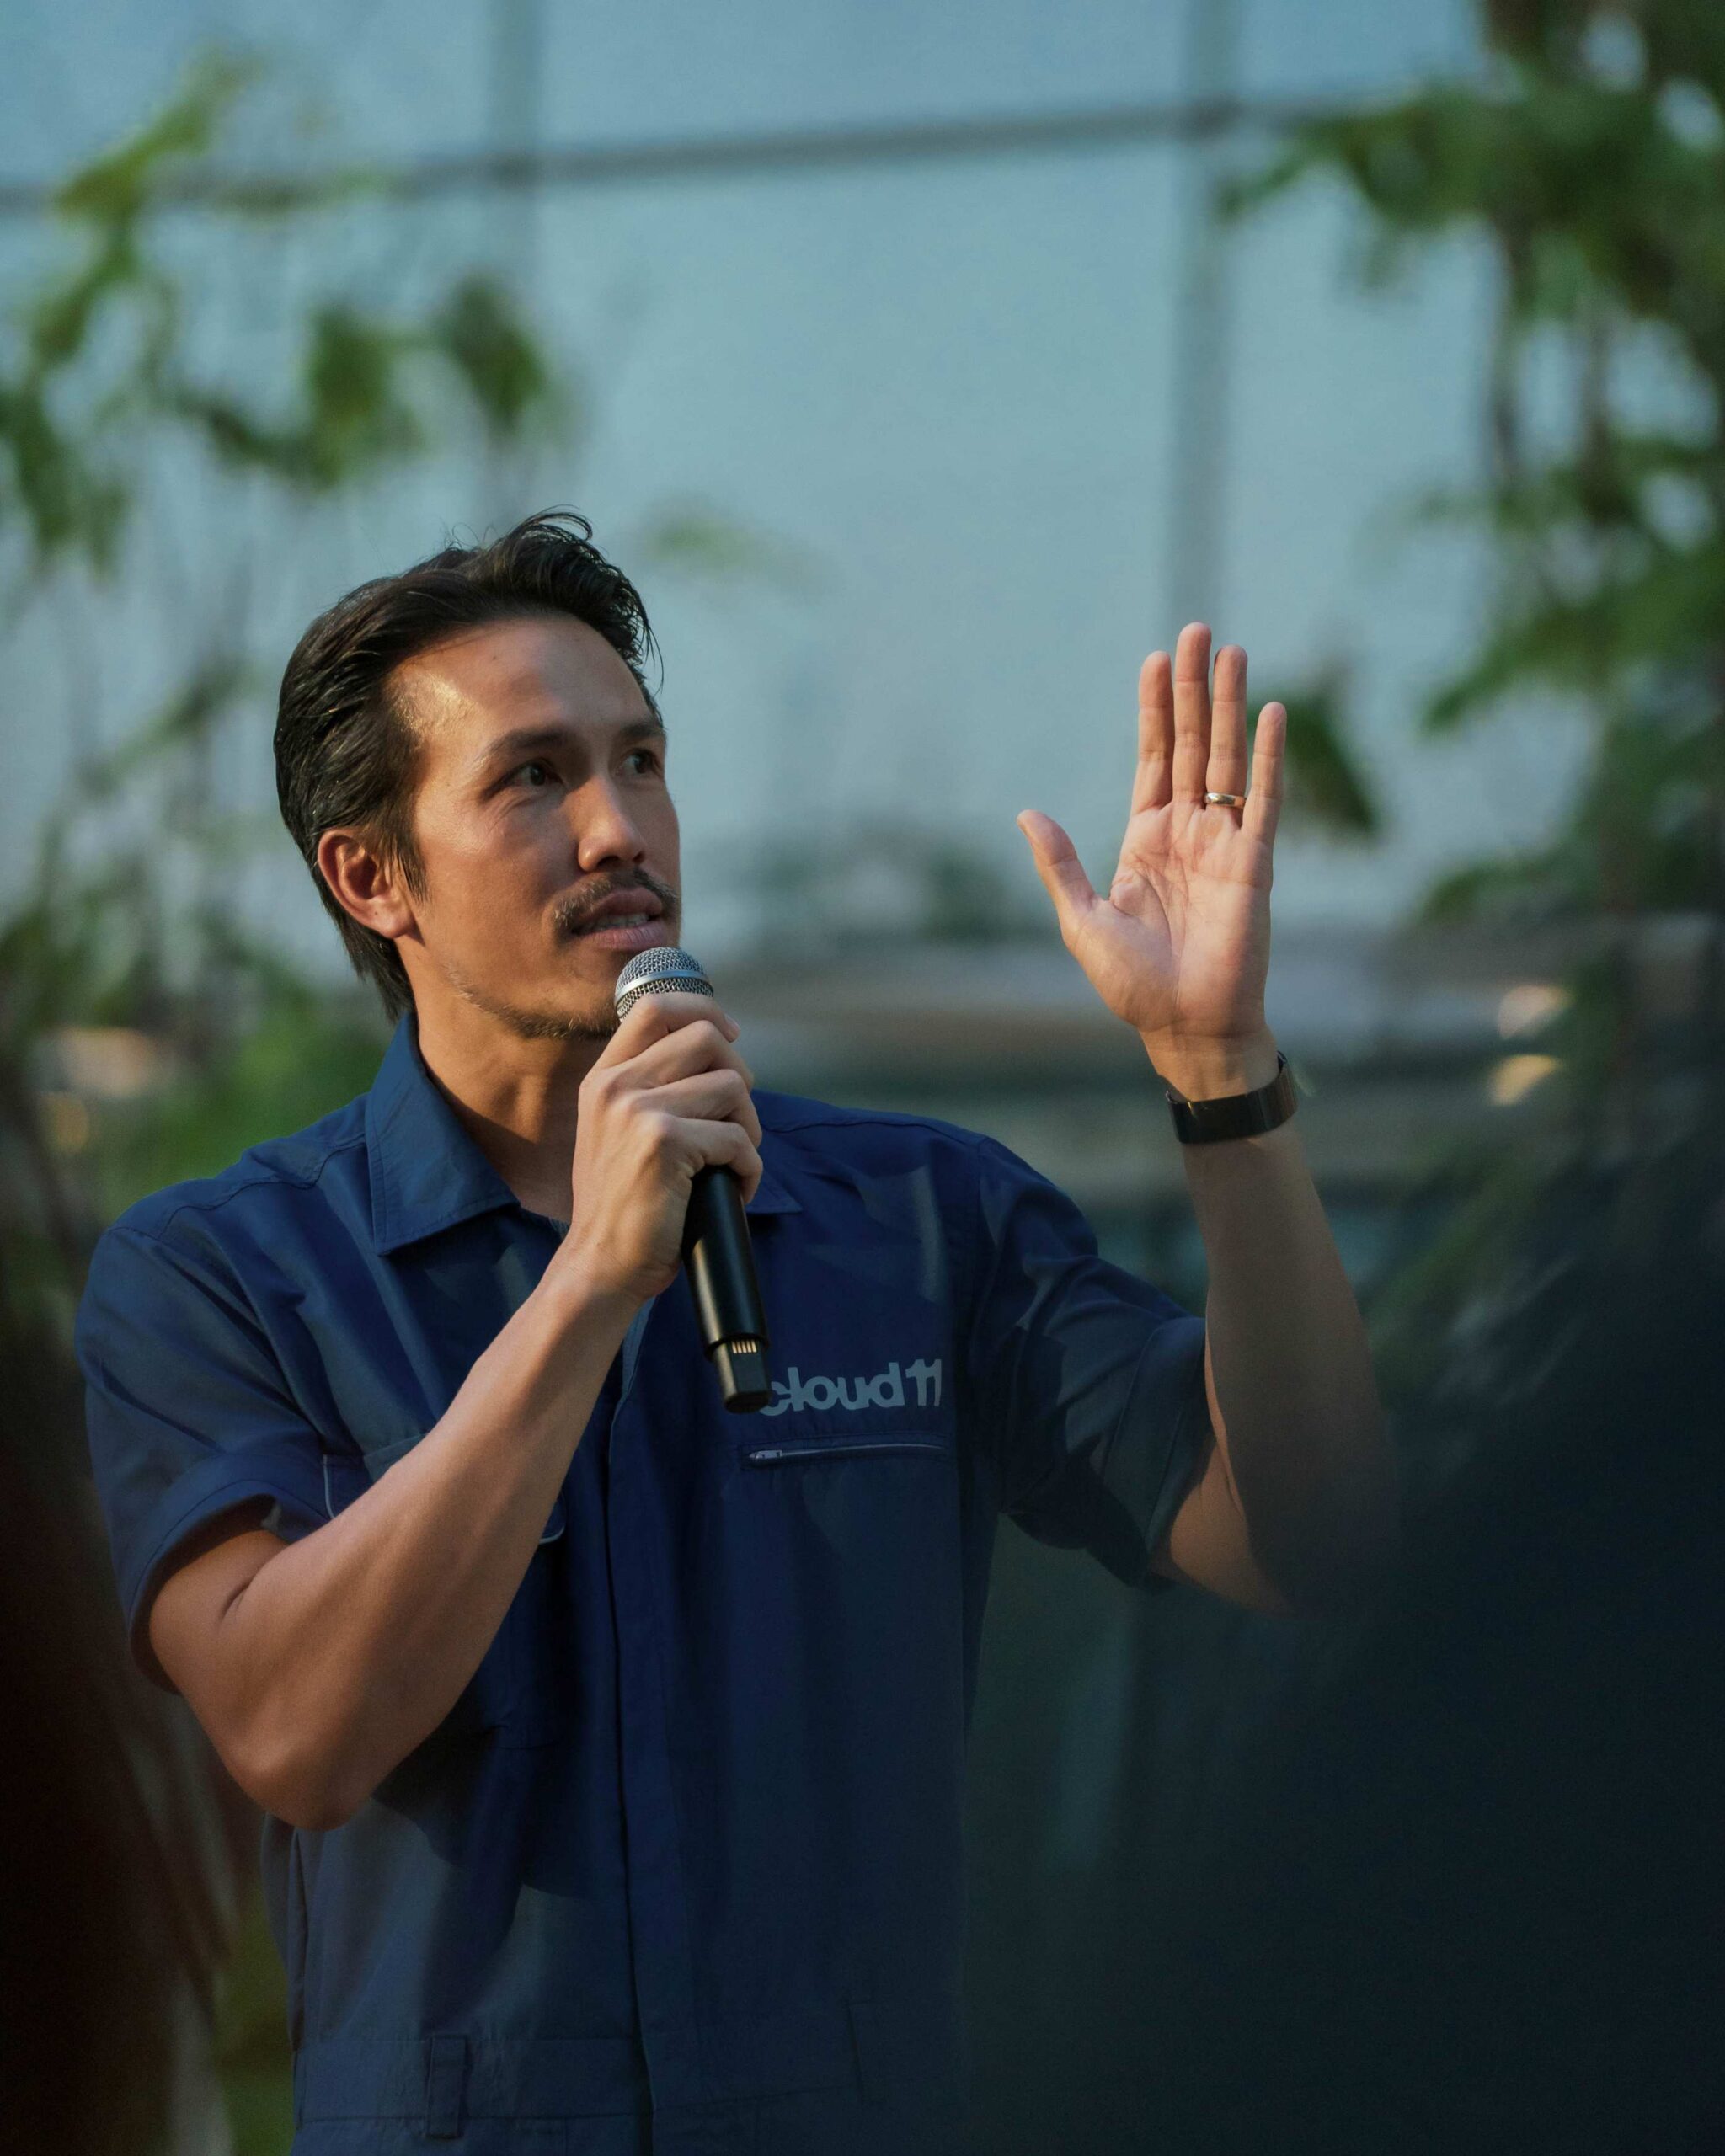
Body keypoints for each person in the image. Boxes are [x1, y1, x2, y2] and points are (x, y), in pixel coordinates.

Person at [75, 508, 1397, 2155]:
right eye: (534, 778)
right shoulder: (219, 1271)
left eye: (640, 760)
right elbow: (294, 1733)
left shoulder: (924, 1218)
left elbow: (1315, 1536)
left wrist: (1220, 1073)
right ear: (372, 875)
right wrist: (588, 1285)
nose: (618, 827)